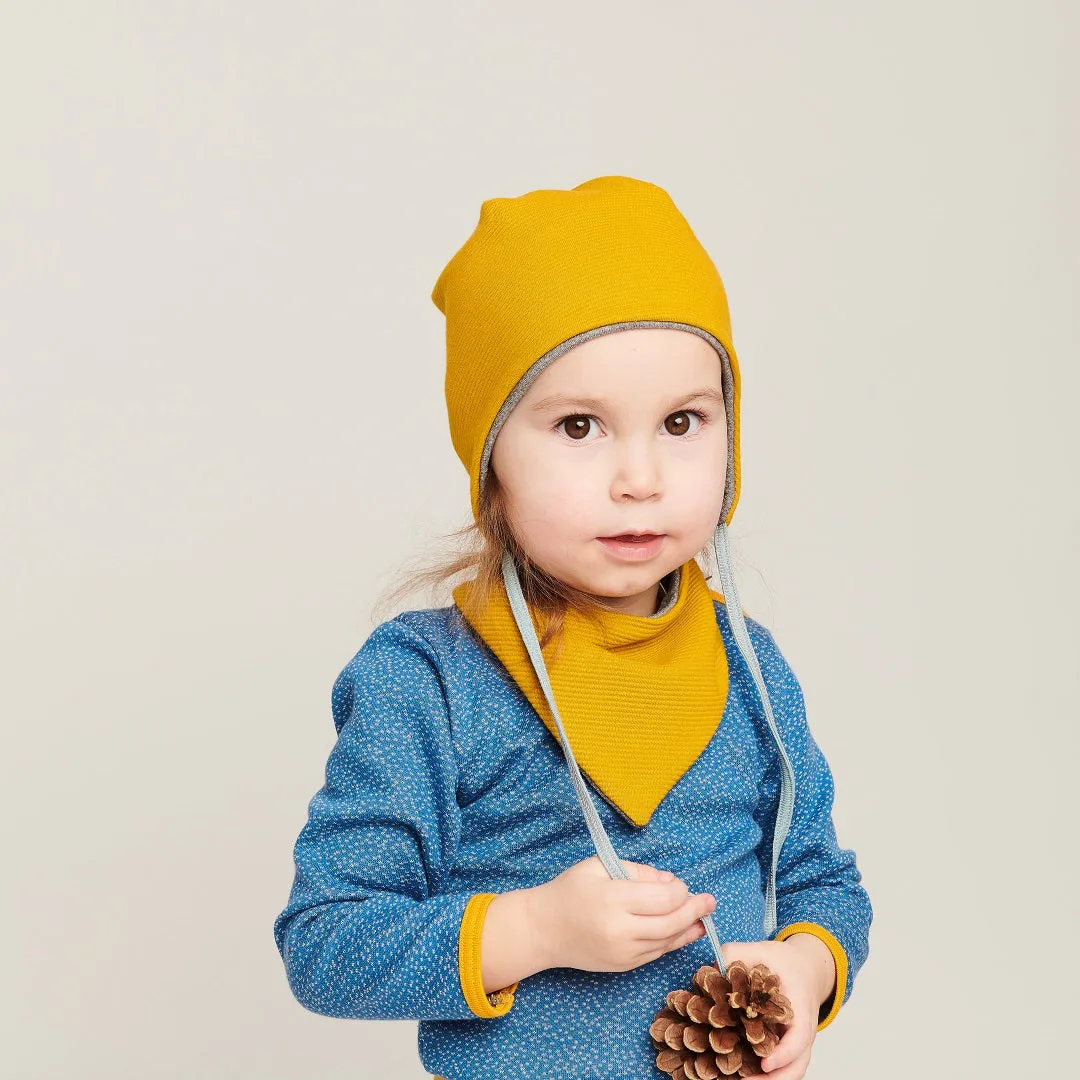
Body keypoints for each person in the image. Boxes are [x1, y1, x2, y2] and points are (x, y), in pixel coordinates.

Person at [272, 175, 872, 1080]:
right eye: (580, 425)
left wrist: (806, 965)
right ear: (491, 462)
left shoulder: (749, 663)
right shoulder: (428, 679)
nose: (641, 477)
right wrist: (532, 929)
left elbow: (826, 883)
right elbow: (326, 942)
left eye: (681, 422)